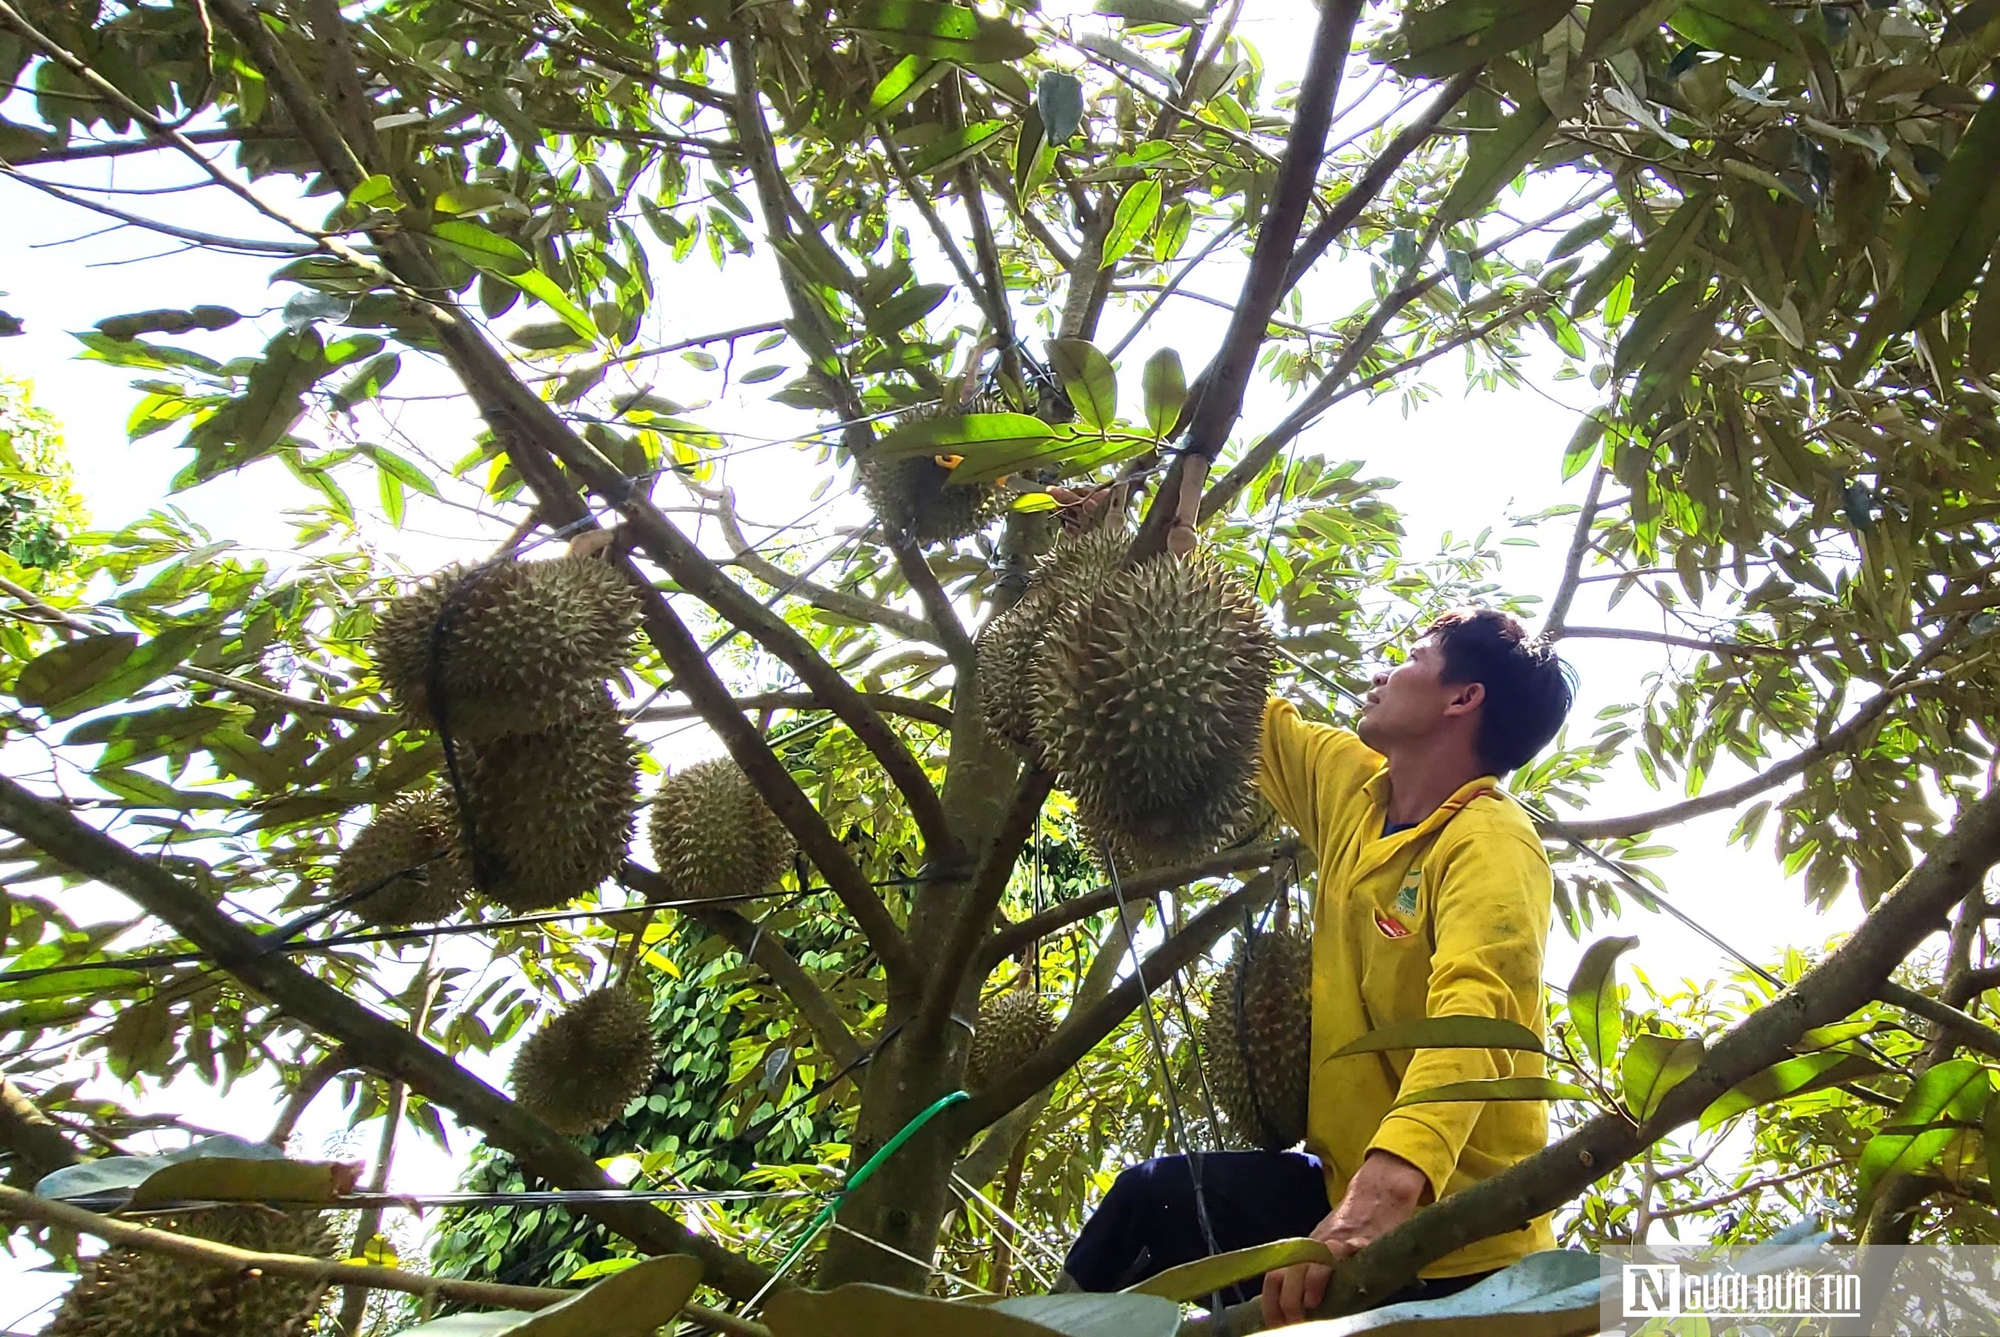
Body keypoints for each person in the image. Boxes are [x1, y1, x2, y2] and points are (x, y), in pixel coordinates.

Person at [1059, 606, 1577, 1328]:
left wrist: (1383, 1197)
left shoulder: (1491, 839)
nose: (1381, 672)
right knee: (1152, 1202)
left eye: (1413, 657)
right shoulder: (1353, 794)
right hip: (1341, 1190)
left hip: (1463, 1245)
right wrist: (1147, 543)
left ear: (1464, 697)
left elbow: (1474, 1014)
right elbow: (1239, 705)